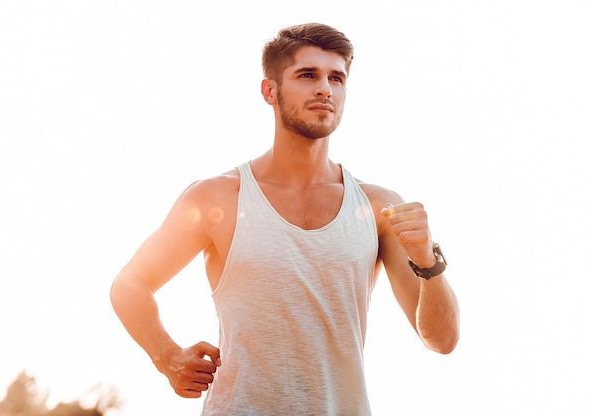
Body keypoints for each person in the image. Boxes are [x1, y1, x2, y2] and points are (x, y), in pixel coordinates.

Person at [110, 22, 460, 415]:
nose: (325, 88)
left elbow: (442, 340)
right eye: (307, 75)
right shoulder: (216, 197)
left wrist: (428, 263)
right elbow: (130, 284)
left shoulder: (379, 207)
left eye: (337, 78)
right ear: (270, 90)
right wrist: (167, 357)